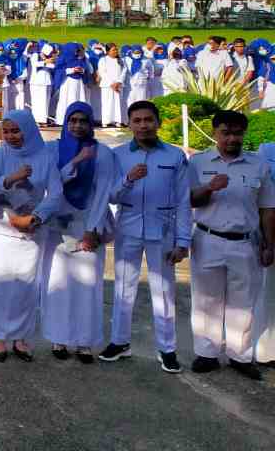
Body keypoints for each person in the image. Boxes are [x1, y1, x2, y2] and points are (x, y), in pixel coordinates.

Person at [100, 100, 191, 373]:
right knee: (123, 288)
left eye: (148, 120)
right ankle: (119, 342)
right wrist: (127, 179)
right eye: (137, 120)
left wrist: (183, 241)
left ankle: (167, 349)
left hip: (162, 229)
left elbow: (184, 201)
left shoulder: (175, 156)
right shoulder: (117, 155)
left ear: (158, 123)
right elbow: (110, 195)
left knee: (163, 290)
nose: (143, 125)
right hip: (128, 228)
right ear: (129, 124)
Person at [186, 110, 275, 380]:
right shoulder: (198, 162)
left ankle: (240, 355)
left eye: (237, 133)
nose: (232, 138)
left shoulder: (258, 165)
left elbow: (268, 208)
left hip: (245, 243)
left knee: (243, 302)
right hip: (207, 239)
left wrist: (269, 244)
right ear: (215, 133)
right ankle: (207, 353)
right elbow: (189, 199)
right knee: (205, 300)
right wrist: (209, 188)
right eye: (226, 132)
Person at [34, 101, 116, 363]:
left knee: (87, 284)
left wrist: (93, 230)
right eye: (73, 120)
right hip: (58, 227)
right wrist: (77, 161)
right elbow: (52, 183)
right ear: (66, 122)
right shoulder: (52, 149)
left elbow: (103, 194)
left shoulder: (102, 153)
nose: (78, 126)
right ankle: (59, 339)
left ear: (90, 123)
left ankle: (84, 343)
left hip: (88, 224)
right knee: (57, 283)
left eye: (83, 121)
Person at [0, 110, 56, 362]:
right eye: (7, 131)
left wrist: (36, 218)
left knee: (26, 285)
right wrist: (10, 179)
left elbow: (56, 193)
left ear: (29, 130)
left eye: (16, 130)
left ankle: (21, 338)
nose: (11, 136)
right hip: (3, 227)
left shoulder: (45, 156)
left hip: (33, 229)